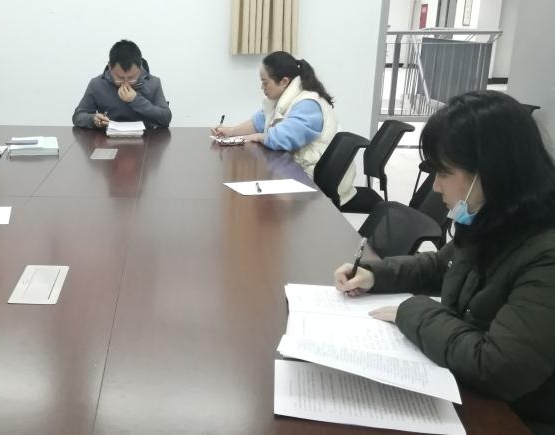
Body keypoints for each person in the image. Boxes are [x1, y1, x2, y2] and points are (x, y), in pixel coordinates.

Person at [333, 91, 555, 433]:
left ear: (489, 172)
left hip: (514, 417)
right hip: (462, 384)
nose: (435, 187)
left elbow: (498, 368)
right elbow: (442, 265)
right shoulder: (496, 217)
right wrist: (375, 275)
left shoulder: (545, 254)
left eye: (444, 172)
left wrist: (412, 310)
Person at [211, 51, 357, 206]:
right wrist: (231, 131)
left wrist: (258, 136)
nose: (262, 87)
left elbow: (284, 138)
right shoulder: (282, 100)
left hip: (316, 182)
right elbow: (259, 122)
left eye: (265, 82)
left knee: (260, 201)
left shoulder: (308, 104)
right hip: (299, 171)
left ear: (284, 81)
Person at [73, 39, 172, 130]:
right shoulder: (97, 84)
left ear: (140, 67)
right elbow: (78, 116)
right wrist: (92, 120)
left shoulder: (153, 83)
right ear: (110, 67)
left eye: (131, 78)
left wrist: (136, 100)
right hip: (107, 139)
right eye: (120, 78)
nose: (125, 84)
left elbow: (166, 118)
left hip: (145, 139)